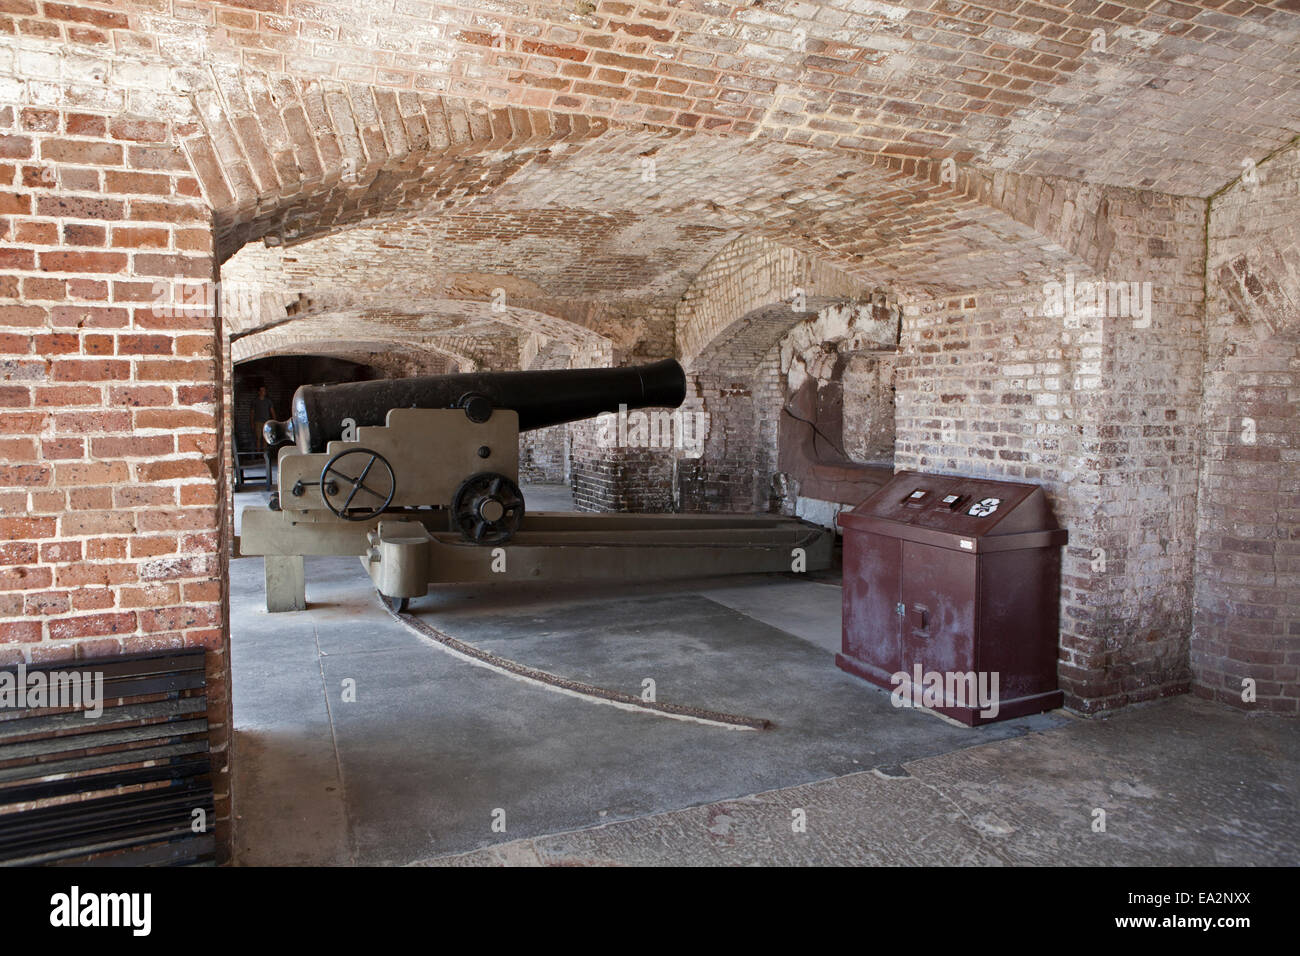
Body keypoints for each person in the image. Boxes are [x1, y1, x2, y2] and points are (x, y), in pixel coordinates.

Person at [250, 386, 278, 451]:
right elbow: (252, 413)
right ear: (259, 392)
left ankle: (264, 454)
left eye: (264, 391)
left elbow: (272, 411)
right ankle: (258, 453)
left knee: (265, 438)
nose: (263, 392)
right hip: (258, 422)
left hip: (266, 422)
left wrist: (274, 422)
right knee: (258, 438)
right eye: (262, 391)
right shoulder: (255, 401)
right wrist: (252, 423)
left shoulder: (268, 401)